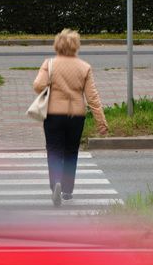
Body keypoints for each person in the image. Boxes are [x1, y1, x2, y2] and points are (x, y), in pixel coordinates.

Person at [32, 29, 109, 206]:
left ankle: (55, 183)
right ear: (76, 46)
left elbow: (38, 85)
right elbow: (92, 97)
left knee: (54, 150)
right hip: (76, 116)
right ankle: (67, 190)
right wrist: (101, 121)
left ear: (57, 45)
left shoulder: (49, 64)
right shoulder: (84, 67)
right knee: (71, 152)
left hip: (53, 115)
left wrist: (51, 82)